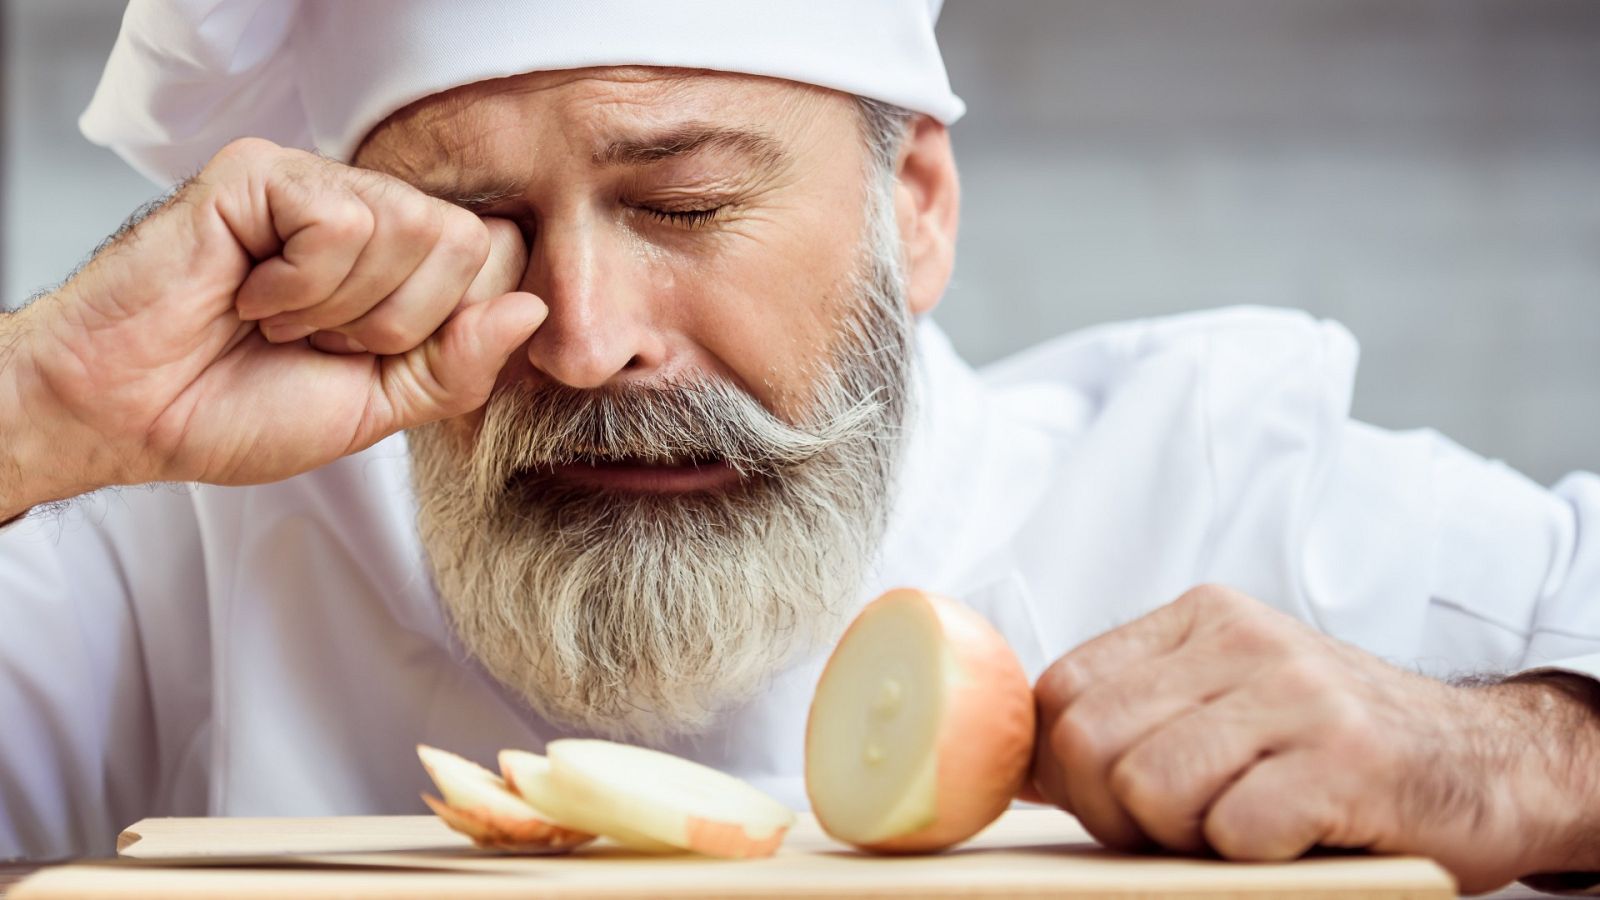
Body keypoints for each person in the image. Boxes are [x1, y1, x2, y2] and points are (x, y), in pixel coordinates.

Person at [1, 0, 1596, 892]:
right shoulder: (180, 541)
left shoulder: (1227, 490)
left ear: (917, 213)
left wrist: (1495, 756)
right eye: (475, 226)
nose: (583, 334)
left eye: (686, 206)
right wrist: (42, 409)